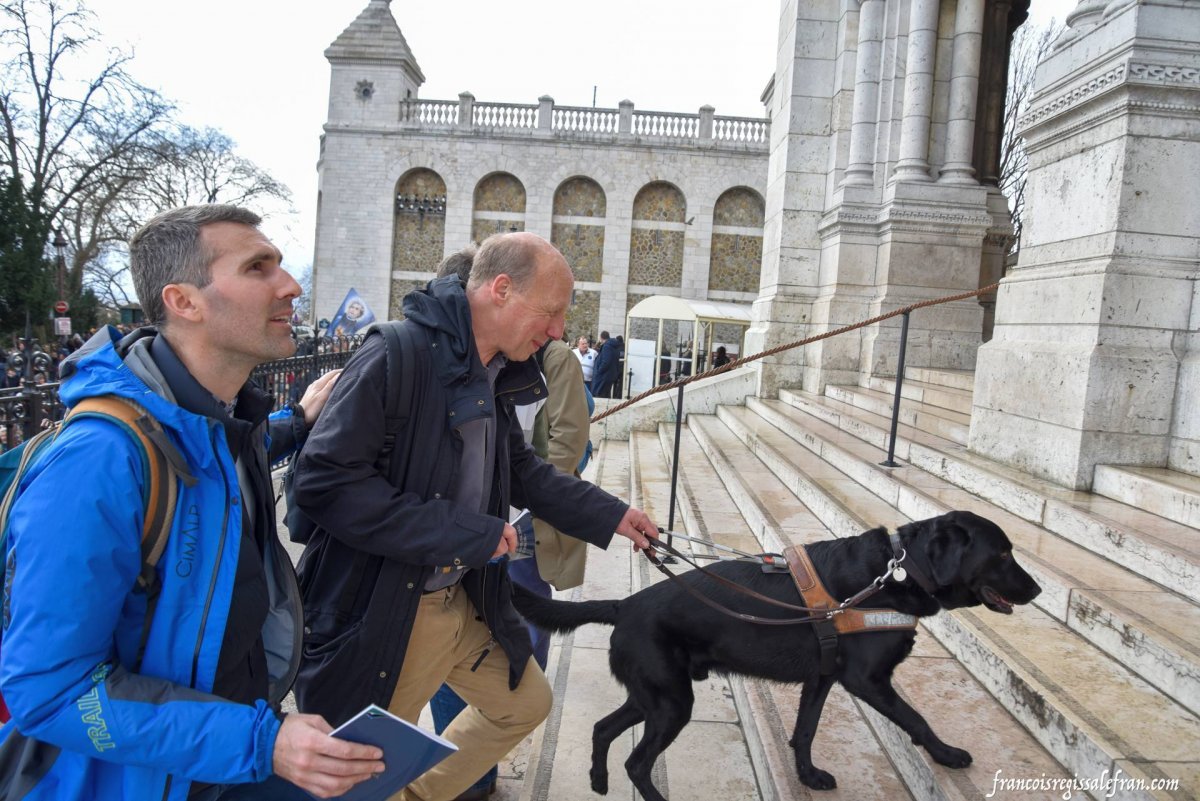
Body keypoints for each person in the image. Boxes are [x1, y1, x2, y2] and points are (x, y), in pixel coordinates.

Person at [0, 205, 383, 800]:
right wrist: (259, 742)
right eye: (258, 268)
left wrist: (296, 419)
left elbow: (212, 465)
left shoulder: (225, 421)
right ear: (184, 301)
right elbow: (51, 693)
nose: (291, 285)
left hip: (228, 756)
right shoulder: (97, 461)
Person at [291, 231, 658, 801]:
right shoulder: (395, 353)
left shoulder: (492, 371)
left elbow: (525, 472)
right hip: (390, 606)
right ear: (501, 290)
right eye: (551, 312)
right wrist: (468, 534)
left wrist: (613, 515)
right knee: (361, 772)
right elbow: (321, 483)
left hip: (461, 599)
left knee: (527, 705)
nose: (559, 330)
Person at [425, 246, 593, 801]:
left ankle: (473, 769)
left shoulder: (551, 359)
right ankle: (463, 778)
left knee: (517, 653)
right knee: (455, 655)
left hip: (518, 529)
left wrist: (530, 500)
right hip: (456, 541)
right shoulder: (422, 362)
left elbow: (565, 442)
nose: (555, 328)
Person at [590, 330, 619, 399]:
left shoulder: (607, 347)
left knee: (599, 395)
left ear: (601, 338)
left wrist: (599, 371)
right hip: (609, 375)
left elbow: (606, 361)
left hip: (604, 377)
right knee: (605, 396)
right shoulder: (613, 346)